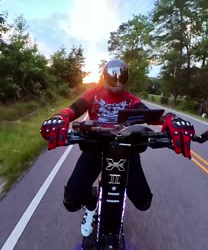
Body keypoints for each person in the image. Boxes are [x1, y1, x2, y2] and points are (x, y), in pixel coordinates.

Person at [40, 59, 196, 237]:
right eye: (113, 76)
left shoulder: (131, 100)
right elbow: (74, 109)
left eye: (121, 77)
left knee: (143, 202)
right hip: (95, 148)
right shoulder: (93, 95)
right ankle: (91, 206)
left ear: (127, 78)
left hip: (126, 150)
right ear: (105, 77)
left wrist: (172, 119)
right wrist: (60, 117)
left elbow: (153, 116)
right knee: (72, 200)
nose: (117, 81)